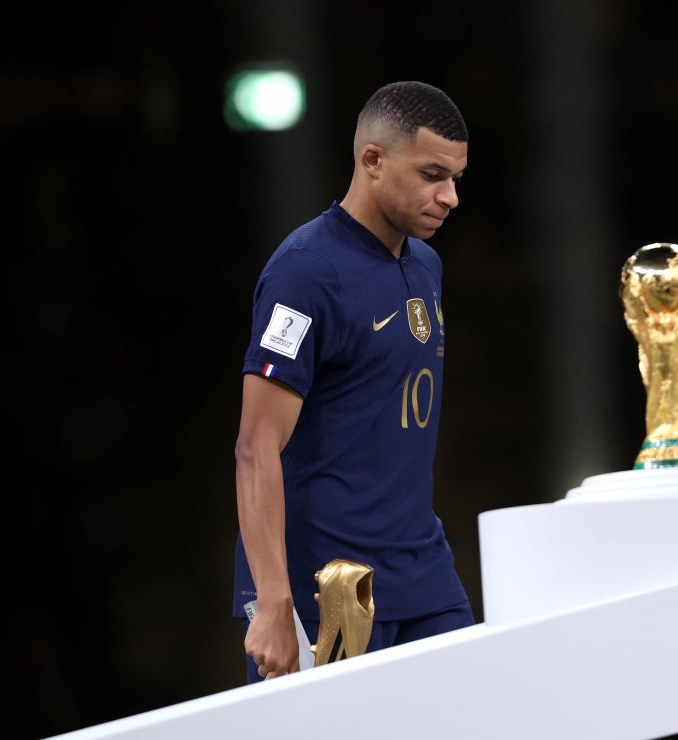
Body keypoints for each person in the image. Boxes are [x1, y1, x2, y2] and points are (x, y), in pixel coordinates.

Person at [232, 81, 472, 682]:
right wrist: (272, 600)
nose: (450, 197)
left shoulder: (426, 265)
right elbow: (256, 446)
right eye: (432, 175)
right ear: (372, 161)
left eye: (456, 178)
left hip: (422, 574)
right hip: (332, 586)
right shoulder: (305, 273)